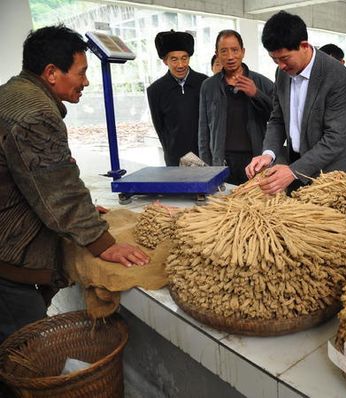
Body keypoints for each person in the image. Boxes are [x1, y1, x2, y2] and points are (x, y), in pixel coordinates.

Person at [0, 25, 149, 343]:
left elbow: (31, 180)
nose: (86, 82)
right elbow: (59, 191)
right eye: (81, 73)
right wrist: (103, 243)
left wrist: (81, 210)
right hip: (7, 268)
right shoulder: (35, 113)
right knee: (25, 353)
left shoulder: (13, 93)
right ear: (52, 72)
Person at [245, 11, 346, 194]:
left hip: (330, 174)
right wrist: (268, 154)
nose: (280, 66)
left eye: (284, 58)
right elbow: (277, 119)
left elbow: (336, 138)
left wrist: (293, 171)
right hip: (295, 165)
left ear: (304, 46)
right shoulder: (282, 73)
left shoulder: (336, 76)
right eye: (275, 60)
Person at [198, 30, 274, 185]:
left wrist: (256, 94)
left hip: (254, 160)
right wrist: (206, 166)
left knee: (254, 205)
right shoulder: (209, 86)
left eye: (235, 50)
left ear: (243, 52)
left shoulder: (262, 83)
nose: (230, 56)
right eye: (224, 51)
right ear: (217, 54)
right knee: (223, 205)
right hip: (222, 159)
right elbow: (204, 128)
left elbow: (277, 119)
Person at [147, 30, 208, 166]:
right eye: (174, 59)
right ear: (165, 61)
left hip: (205, 154)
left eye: (184, 58)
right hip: (175, 158)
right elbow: (160, 129)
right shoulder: (155, 90)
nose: (180, 65)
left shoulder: (205, 83)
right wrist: (170, 152)